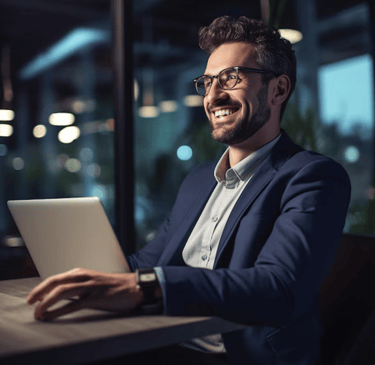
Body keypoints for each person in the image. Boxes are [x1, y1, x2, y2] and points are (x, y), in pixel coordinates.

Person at [26, 16, 351, 365]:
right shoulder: (199, 180)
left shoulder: (313, 177)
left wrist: (144, 288)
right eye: (207, 82)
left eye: (231, 78)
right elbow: (149, 262)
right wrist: (85, 275)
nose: (212, 96)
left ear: (278, 89)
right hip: (164, 344)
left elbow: (277, 289)